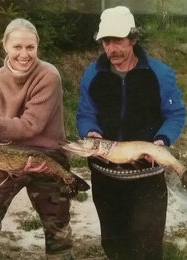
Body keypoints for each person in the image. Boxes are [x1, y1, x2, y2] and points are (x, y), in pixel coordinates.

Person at [76, 6, 185, 260]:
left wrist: (161, 140)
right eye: (106, 41)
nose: (111, 49)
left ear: (133, 39)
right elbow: (85, 113)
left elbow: (175, 115)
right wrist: (90, 132)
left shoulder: (161, 74)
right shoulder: (92, 74)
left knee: (146, 247)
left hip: (147, 177)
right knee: (114, 244)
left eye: (117, 41)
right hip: (105, 175)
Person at [0, 18, 75, 260]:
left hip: (47, 158)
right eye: (17, 47)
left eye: (30, 47)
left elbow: (30, 126)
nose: (24, 54)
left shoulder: (48, 75)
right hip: (8, 159)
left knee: (58, 231)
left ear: (37, 47)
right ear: (5, 46)